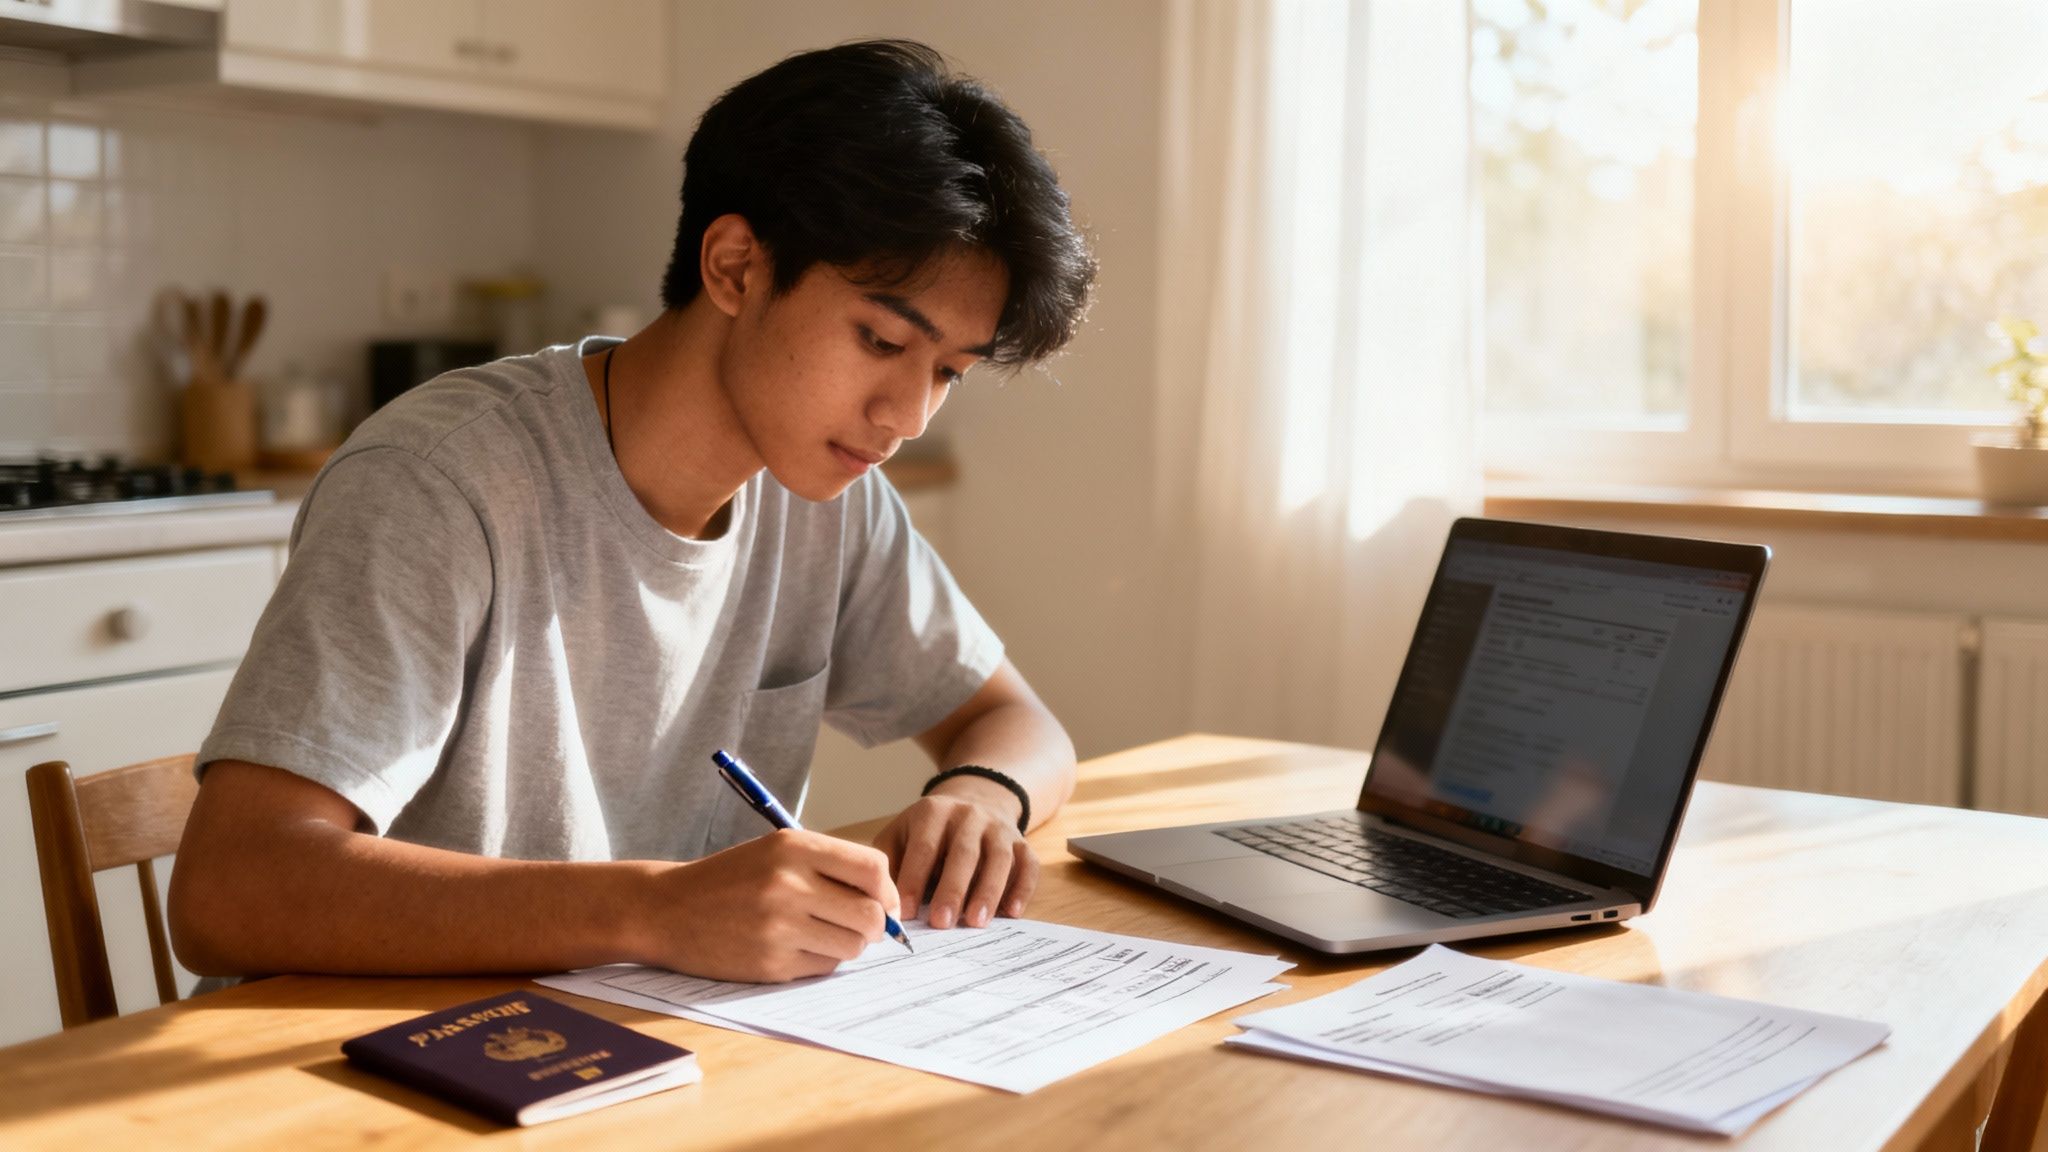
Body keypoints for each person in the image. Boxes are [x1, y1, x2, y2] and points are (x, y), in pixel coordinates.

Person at [168, 39, 1096, 985]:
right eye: (882, 340)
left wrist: (983, 797)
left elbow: (1018, 723)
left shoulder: (829, 498)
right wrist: (655, 909)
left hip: (630, 1032)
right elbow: (230, 892)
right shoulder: (439, 482)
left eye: (948, 373)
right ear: (735, 267)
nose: (907, 416)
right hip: (359, 1051)